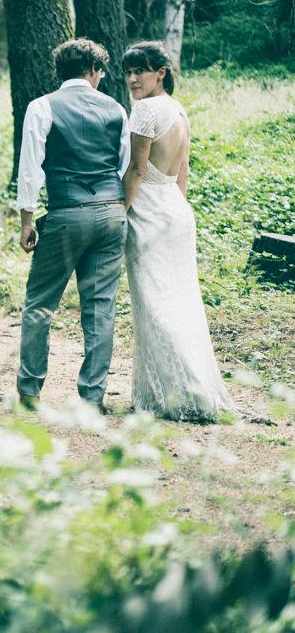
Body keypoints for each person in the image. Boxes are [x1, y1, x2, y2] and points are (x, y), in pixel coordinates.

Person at [15, 38, 131, 410]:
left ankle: (30, 391)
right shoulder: (116, 109)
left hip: (66, 213)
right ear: (94, 70)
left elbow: (31, 167)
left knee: (41, 301)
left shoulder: (43, 106)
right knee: (100, 307)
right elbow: (125, 166)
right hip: (113, 212)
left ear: (60, 71)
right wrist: (117, 208)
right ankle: (92, 397)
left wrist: (27, 220)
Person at [122, 41, 233, 422]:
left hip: (150, 213)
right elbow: (181, 171)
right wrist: (178, 208)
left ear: (161, 73)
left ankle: (185, 393)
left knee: (155, 306)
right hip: (175, 211)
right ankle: (186, 388)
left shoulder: (146, 110)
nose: (133, 78)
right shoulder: (178, 111)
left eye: (141, 71)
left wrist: (120, 212)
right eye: (129, 71)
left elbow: (136, 171)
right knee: (181, 303)